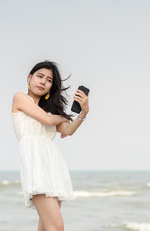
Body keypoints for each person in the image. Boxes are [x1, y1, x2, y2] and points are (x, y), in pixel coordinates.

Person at [11, 61, 89, 231]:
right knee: (56, 226)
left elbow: (68, 130)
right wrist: (62, 117)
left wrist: (83, 113)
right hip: (35, 162)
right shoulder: (21, 98)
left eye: (48, 80)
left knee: (47, 226)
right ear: (29, 78)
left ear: (51, 86)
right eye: (39, 76)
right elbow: (48, 120)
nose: (43, 82)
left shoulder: (50, 110)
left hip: (52, 163)